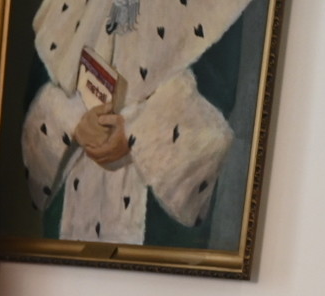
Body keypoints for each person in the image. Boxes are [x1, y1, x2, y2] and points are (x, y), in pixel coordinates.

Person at [19, 0, 256, 245]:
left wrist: (138, 132)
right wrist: (75, 120)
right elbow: (38, 88)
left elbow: (224, 95)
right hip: (70, 197)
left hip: (160, 218)